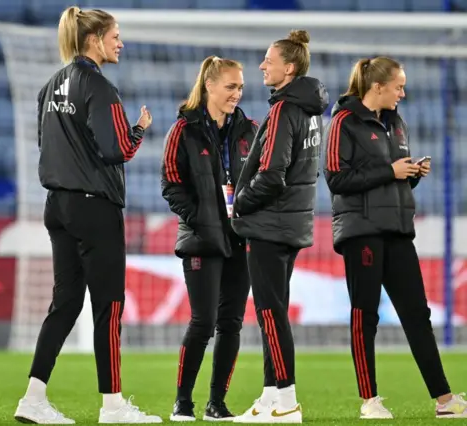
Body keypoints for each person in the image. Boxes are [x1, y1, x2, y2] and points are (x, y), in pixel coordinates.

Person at [13, 6, 162, 424]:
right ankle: (113, 407)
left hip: (57, 205)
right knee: (109, 307)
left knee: (64, 303)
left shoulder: (50, 85)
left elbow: (48, 142)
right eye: (115, 35)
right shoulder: (99, 86)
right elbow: (117, 151)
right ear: (94, 40)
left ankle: (33, 398)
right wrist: (138, 130)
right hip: (94, 206)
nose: (120, 42)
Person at [323, 56, 467, 420]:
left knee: (418, 314)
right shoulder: (343, 122)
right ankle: (369, 400)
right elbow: (336, 180)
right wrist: (390, 170)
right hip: (362, 231)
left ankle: (445, 399)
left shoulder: (396, 122)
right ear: (377, 87)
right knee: (365, 316)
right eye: (398, 85)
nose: (403, 92)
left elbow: (389, 176)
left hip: (398, 230)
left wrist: (411, 173)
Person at [230, 30, 329, 424]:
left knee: (270, 314)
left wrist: (239, 203)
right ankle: (271, 398)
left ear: (288, 68)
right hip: (292, 221)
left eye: (268, 60)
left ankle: (286, 401)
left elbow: (272, 174)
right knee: (275, 311)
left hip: (271, 224)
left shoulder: (286, 110)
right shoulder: (310, 111)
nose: (261, 66)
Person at [161, 56, 259, 422]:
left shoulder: (250, 129)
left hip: (240, 238)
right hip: (202, 239)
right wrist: (200, 219)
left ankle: (216, 403)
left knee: (231, 323)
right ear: (210, 86)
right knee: (202, 321)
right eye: (231, 86)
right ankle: (182, 402)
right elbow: (170, 183)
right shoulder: (183, 130)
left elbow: (262, 177)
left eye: (241, 88)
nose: (237, 93)